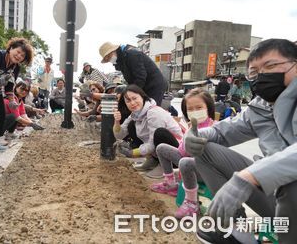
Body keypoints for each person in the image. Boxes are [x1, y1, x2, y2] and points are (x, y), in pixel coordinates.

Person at [185, 39, 297, 244]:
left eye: (271, 66)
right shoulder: (260, 107)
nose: (262, 76)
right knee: (205, 151)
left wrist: (250, 176)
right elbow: (222, 132)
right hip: (278, 198)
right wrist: (196, 136)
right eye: (254, 72)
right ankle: (237, 230)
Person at [151, 88, 215, 219]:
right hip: (187, 160)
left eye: (199, 107)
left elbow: (196, 153)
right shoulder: (192, 126)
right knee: (162, 148)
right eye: (190, 109)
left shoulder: (214, 128)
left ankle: (192, 203)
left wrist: (191, 133)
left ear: (208, 108)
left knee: (185, 162)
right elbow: (182, 150)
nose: (195, 112)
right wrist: (189, 131)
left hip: (204, 168)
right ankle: (170, 183)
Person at [0, 37, 33, 152]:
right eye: (18, 52)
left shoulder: (16, 67)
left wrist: (11, 100)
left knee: (0, 116)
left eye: (22, 55)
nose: (19, 56)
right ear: (11, 48)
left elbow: (9, 86)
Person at [113, 85, 182, 167]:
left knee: (159, 133)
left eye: (135, 98)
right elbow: (119, 135)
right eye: (128, 101)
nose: (132, 103)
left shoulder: (153, 112)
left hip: (176, 153)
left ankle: (163, 165)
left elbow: (152, 144)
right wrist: (117, 122)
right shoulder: (134, 115)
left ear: (142, 97)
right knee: (131, 126)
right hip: (156, 151)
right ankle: (153, 160)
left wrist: (132, 153)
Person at [99, 42, 167, 106]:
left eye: (108, 56)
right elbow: (131, 81)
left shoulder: (132, 55)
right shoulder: (121, 62)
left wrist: (130, 93)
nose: (109, 60)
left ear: (114, 51)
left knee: (150, 109)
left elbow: (140, 77)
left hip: (154, 85)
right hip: (144, 86)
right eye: (107, 59)